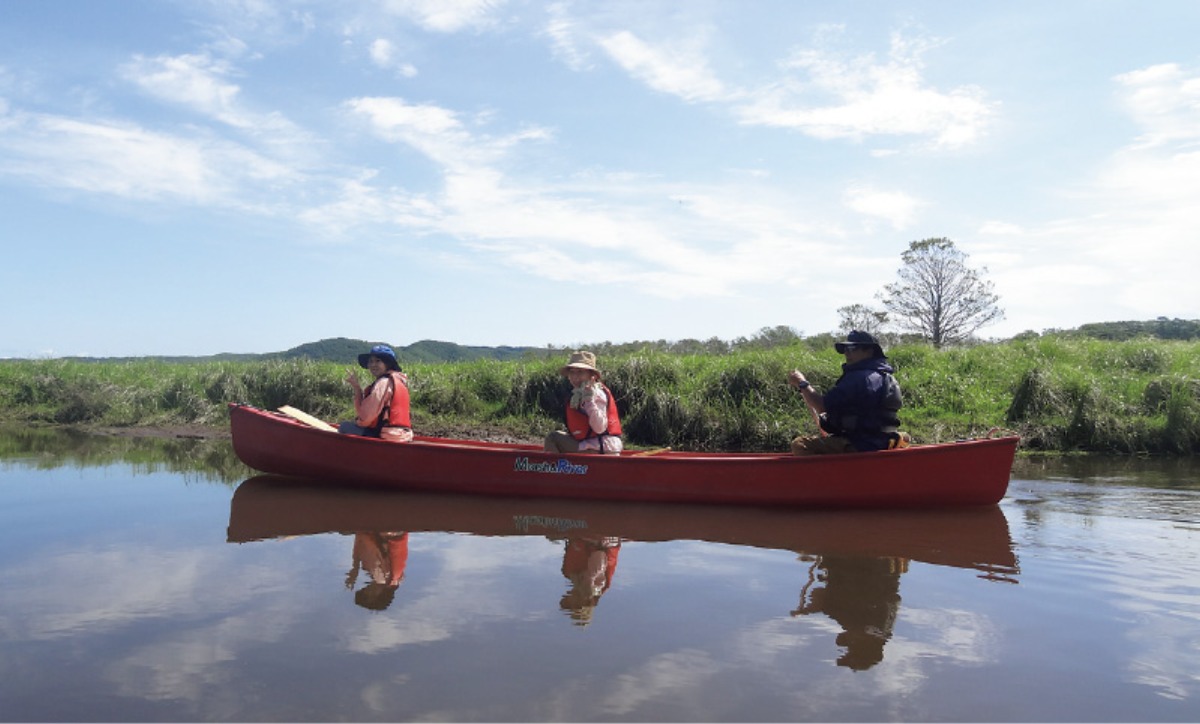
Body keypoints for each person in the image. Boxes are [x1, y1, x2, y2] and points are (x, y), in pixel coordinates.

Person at [787, 330, 905, 455]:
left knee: (800, 444)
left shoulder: (859, 378)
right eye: (845, 348)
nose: (847, 352)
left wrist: (802, 383)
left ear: (869, 351)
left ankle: (832, 474)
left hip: (861, 444)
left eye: (853, 348)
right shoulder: (883, 376)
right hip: (883, 440)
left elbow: (821, 406)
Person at [544, 351, 623, 454]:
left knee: (553, 438)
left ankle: (558, 469)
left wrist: (589, 401)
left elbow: (599, 428)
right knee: (558, 435)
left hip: (602, 448)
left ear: (592, 376)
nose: (575, 377)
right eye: (572, 372)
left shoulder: (596, 394)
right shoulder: (578, 395)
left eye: (580, 372)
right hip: (591, 445)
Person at [338, 344, 413, 442]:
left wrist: (357, 423)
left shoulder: (383, 383)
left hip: (387, 435)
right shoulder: (399, 380)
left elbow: (366, 417)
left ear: (387, 364)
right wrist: (357, 387)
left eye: (378, 361)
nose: (373, 365)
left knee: (344, 426)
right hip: (404, 435)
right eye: (371, 361)